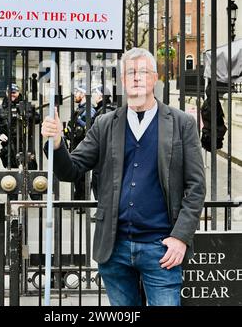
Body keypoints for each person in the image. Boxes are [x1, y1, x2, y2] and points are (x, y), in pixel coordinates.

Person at [42, 47, 206, 306]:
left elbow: (196, 187)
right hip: (115, 249)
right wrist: (58, 145)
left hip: (161, 248)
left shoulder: (181, 123)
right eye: (131, 72)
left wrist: (180, 237)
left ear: (154, 78)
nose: (137, 77)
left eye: (143, 72)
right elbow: (71, 170)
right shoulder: (105, 124)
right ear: (122, 81)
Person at [0, 83, 39, 172]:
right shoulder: (0, 109)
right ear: (6, 93)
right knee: (13, 172)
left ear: (18, 93)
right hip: (9, 144)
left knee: (30, 169)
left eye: (14, 92)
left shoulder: (26, 105)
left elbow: (38, 118)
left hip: (25, 142)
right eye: (10, 92)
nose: (12, 94)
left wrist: (28, 114)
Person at [63, 86, 96, 201]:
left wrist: (78, 120)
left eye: (77, 92)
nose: (75, 94)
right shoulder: (80, 108)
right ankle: (77, 198)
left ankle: (82, 201)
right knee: (76, 175)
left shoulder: (89, 109)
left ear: (83, 94)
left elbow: (89, 127)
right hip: (75, 143)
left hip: (83, 144)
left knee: (81, 176)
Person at [91, 85, 116, 200]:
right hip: (102, 154)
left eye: (95, 94)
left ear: (101, 97)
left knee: (100, 183)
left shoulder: (105, 112)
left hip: (103, 155)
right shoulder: (104, 109)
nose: (93, 96)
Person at [201, 82, 227, 152]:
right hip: (212, 135)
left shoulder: (206, 103)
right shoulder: (214, 104)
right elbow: (216, 119)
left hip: (209, 134)